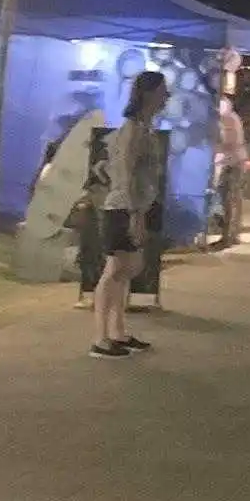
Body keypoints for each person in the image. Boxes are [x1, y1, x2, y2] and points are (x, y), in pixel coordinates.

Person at [93, 69, 169, 358]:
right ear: (148, 94)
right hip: (123, 208)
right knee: (114, 270)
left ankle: (118, 331)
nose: (166, 97)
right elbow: (125, 173)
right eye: (162, 91)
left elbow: (113, 167)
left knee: (128, 269)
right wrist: (135, 215)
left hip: (133, 206)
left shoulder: (141, 129)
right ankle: (100, 338)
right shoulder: (133, 130)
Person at [215, 94, 248, 248]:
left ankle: (229, 236)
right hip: (231, 161)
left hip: (232, 162)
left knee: (230, 199)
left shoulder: (227, 118)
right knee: (231, 199)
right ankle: (230, 235)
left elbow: (227, 141)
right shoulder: (231, 117)